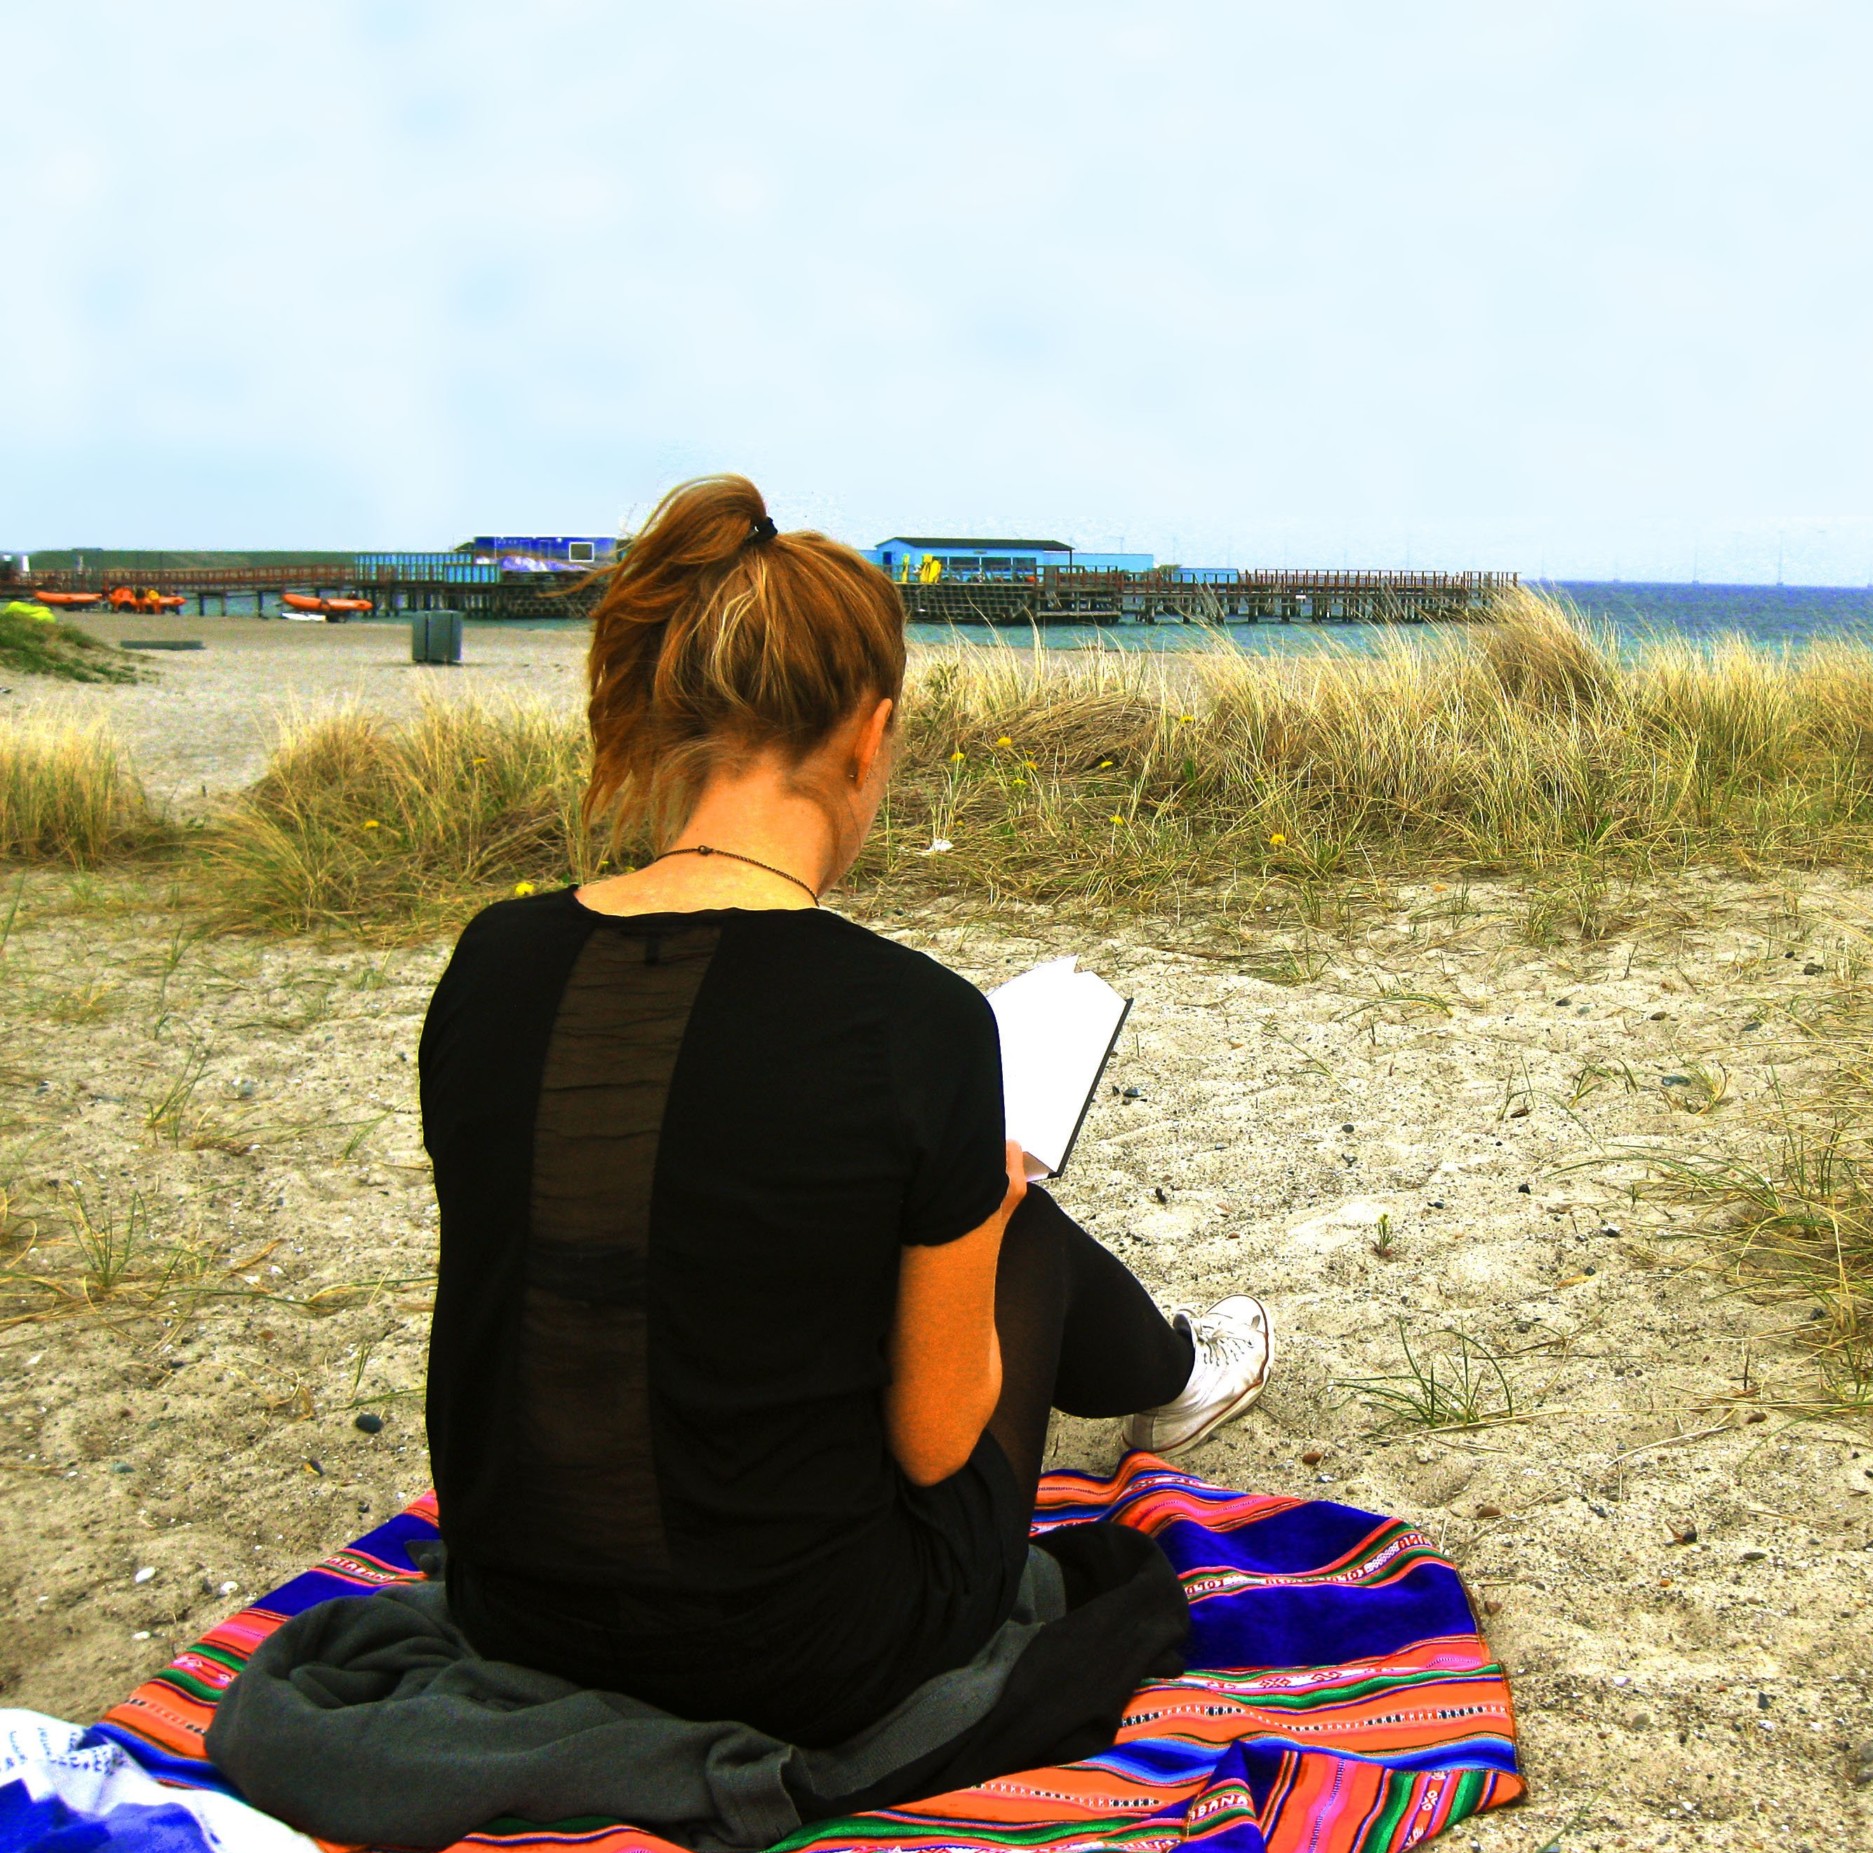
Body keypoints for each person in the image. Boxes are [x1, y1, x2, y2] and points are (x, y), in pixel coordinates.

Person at [418, 474, 1273, 1759]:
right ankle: (1170, 1376)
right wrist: (979, 1208)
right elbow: (935, 1449)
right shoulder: (908, 1019)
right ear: (869, 737)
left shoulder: (493, 961)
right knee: (1014, 1226)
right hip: (805, 1660)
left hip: (512, 1613)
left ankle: (1169, 1365)